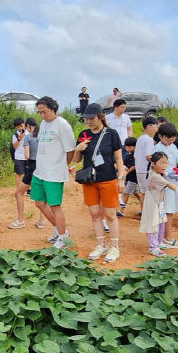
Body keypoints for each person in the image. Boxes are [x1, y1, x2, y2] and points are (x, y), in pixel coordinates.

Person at [71, 103, 124, 262]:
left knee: (110, 214)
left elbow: (119, 159)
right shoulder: (83, 134)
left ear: (100, 117)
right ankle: (101, 244)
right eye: (86, 119)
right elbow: (76, 160)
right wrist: (78, 149)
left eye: (91, 118)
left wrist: (120, 179)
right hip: (90, 180)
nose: (88, 122)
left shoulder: (111, 134)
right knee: (94, 214)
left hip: (108, 179)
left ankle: (114, 247)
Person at [31, 96, 75, 248]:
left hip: (54, 172)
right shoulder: (43, 123)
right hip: (40, 171)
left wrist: (62, 165)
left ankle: (63, 237)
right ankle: (58, 230)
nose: (42, 115)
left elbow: (70, 150)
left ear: (53, 109)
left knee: (55, 206)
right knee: (39, 203)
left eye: (45, 112)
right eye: (40, 112)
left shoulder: (62, 125)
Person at [139, 152, 178, 257]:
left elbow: (165, 176)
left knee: (161, 222)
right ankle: (153, 247)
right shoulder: (154, 176)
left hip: (159, 203)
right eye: (161, 163)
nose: (164, 166)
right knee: (153, 224)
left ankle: (160, 242)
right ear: (153, 163)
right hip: (152, 204)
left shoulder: (157, 174)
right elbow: (168, 184)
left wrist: (169, 173)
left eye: (166, 163)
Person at [153, 123, 178, 249]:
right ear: (160, 136)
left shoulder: (173, 146)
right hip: (164, 184)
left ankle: (163, 237)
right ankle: (167, 238)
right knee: (167, 211)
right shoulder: (157, 149)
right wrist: (169, 173)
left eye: (173, 138)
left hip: (173, 182)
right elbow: (156, 168)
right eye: (168, 138)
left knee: (170, 211)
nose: (171, 140)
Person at [10, 118, 45, 229]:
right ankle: (41, 221)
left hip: (32, 167)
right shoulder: (43, 136)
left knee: (19, 193)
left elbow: (26, 156)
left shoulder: (28, 137)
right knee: (41, 195)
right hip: (43, 167)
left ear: (28, 126)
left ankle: (20, 221)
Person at [135, 116, 160, 209]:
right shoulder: (148, 139)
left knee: (143, 192)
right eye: (155, 126)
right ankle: (147, 214)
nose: (156, 129)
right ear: (149, 126)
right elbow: (149, 156)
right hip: (146, 170)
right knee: (149, 193)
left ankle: (143, 213)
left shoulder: (141, 138)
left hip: (139, 169)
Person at [118, 137, 140, 215]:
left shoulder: (136, 155)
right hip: (130, 177)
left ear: (135, 147)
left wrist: (127, 172)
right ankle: (144, 206)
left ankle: (121, 210)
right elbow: (127, 165)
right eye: (126, 146)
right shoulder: (128, 155)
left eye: (129, 147)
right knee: (136, 193)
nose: (127, 148)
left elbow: (134, 166)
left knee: (126, 192)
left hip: (134, 178)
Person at [11, 118, 27, 186]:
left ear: (24, 124)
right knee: (19, 174)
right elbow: (14, 146)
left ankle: (27, 190)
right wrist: (19, 138)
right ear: (16, 127)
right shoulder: (15, 135)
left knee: (28, 174)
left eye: (21, 125)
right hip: (19, 157)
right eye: (18, 126)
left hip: (28, 156)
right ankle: (19, 190)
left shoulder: (29, 133)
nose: (20, 127)